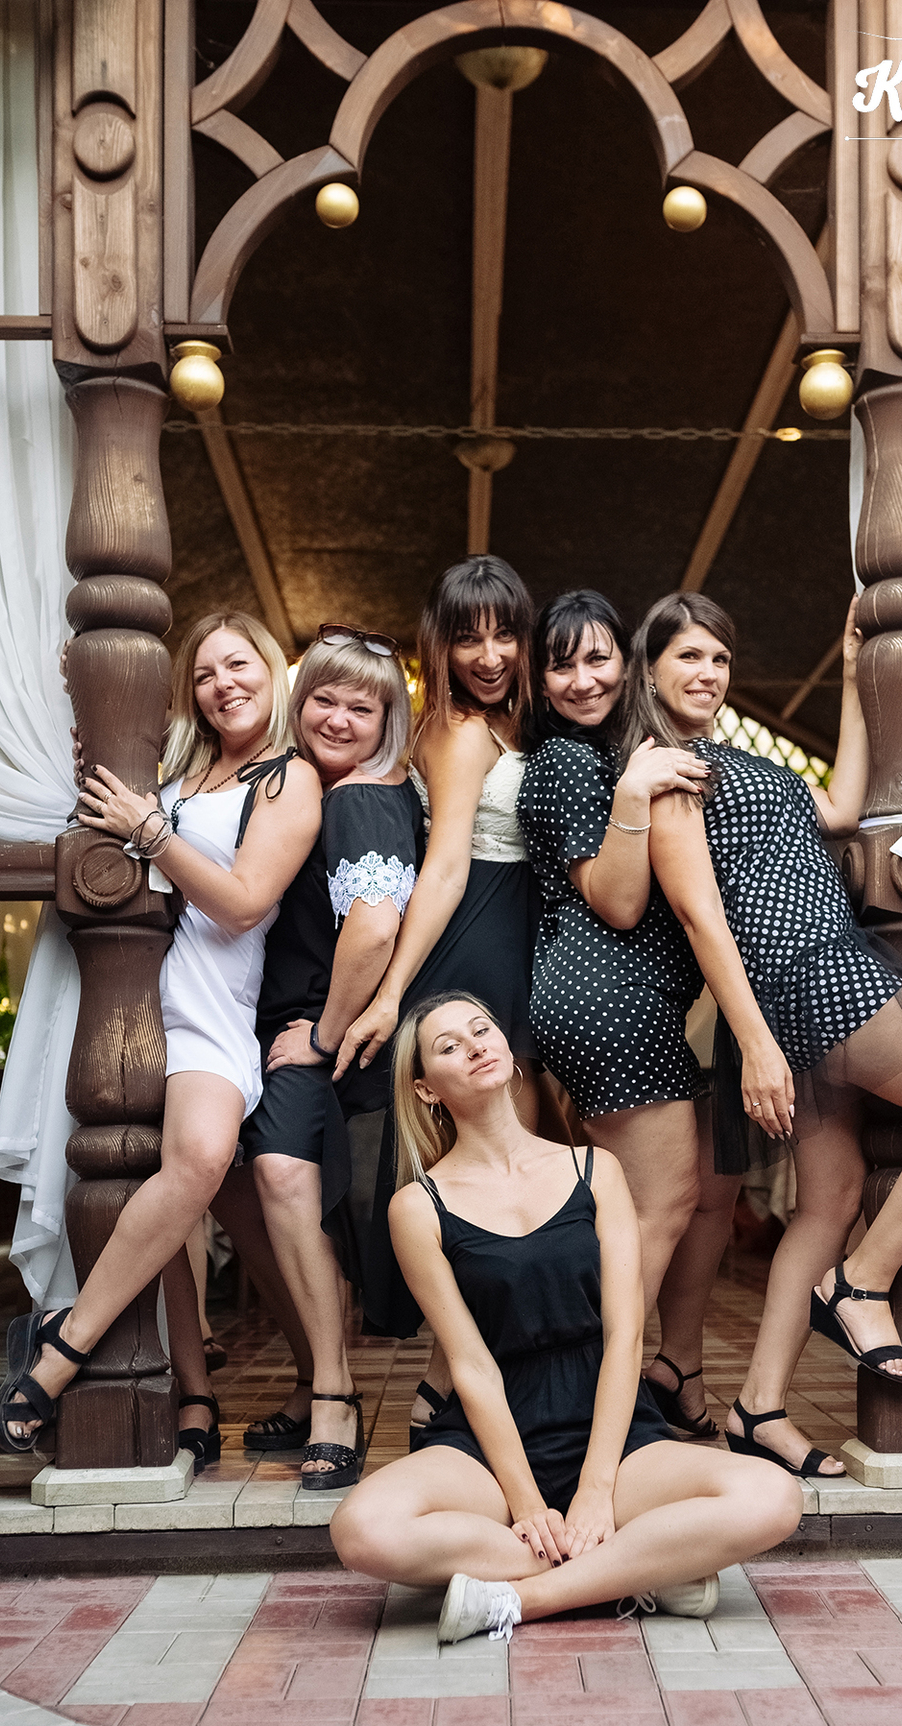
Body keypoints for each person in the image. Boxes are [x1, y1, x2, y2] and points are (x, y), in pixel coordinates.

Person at [631, 590, 902, 1475]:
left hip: (818, 969)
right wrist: (756, 1043)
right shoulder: (667, 770)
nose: (709, 673)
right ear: (650, 670)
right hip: (807, 972)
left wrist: (854, 677)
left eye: (719, 659)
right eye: (688, 656)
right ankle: (862, 1280)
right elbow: (700, 917)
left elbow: (843, 809)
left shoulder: (738, 760)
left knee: (829, 1200)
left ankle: (758, 1407)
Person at [330, 995, 802, 1642]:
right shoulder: (418, 1205)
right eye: (448, 1046)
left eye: (481, 1029)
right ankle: (640, 1571)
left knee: (773, 1497)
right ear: (426, 1089)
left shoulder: (594, 1170)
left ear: (506, 1048)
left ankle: (520, 1600)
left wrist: (596, 1490)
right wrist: (526, 1502)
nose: (474, 1046)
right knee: (362, 1529)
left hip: (610, 1427)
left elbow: (624, 1337)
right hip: (491, 1440)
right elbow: (470, 1365)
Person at [0, 612, 325, 1459]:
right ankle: (195, 1392)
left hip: (211, 1002)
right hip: (129, 994)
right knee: (151, 1182)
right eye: (205, 674)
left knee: (201, 1162)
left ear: (273, 672)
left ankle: (63, 1350)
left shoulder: (290, 780)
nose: (223, 685)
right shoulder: (174, 770)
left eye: (239, 665)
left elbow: (242, 903)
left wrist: (151, 831)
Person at [515, 590, 735, 1438]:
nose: (582, 680)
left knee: (672, 1200)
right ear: (540, 680)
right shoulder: (571, 764)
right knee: (658, 1207)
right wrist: (635, 793)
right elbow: (616, 900)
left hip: (620, 1001)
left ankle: (659, 1374)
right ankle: (589, 1404)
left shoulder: (620, 752)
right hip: (608, 998)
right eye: (561, 665)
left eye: (597, 658)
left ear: (627, 662)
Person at [335, 557, 545, 1426]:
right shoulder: (460, 729)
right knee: (485, 1171)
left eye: (504, 634)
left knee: (496, 1168)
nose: (489, 655)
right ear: (441, 645)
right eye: (468, 638)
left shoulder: (501, 721)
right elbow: (449, 862)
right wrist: (392, 995)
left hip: (505, 936)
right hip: (475, 942)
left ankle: (446, 1380)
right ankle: (453, 1378)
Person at [238, 625, 424, 1488]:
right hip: (307, 1026)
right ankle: (317, 1377)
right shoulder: (319, 788)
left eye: (363, 707)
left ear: (389, 721)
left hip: (325, 1030)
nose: (340, 719)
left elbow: (375, 928)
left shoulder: (359, 799)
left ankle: (335, 1397)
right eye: (325, 699)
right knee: (271, 1191)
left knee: (283, 1177)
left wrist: (320, 1036)